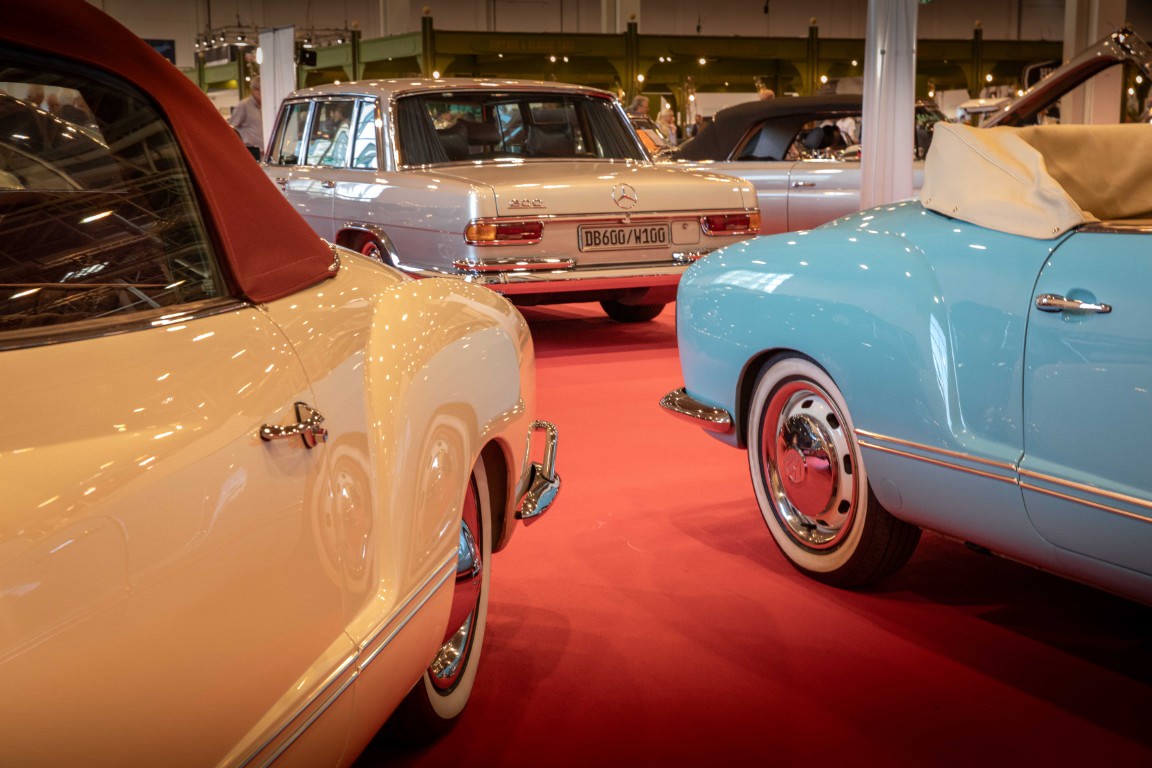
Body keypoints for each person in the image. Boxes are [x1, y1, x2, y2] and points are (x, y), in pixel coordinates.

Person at [229, 76, 262, 160]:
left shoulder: (264, 106)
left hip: (262, 152)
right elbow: (232, 128)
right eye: (260, 90)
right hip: (250, 152)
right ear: (254, 90)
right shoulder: (244, 105)